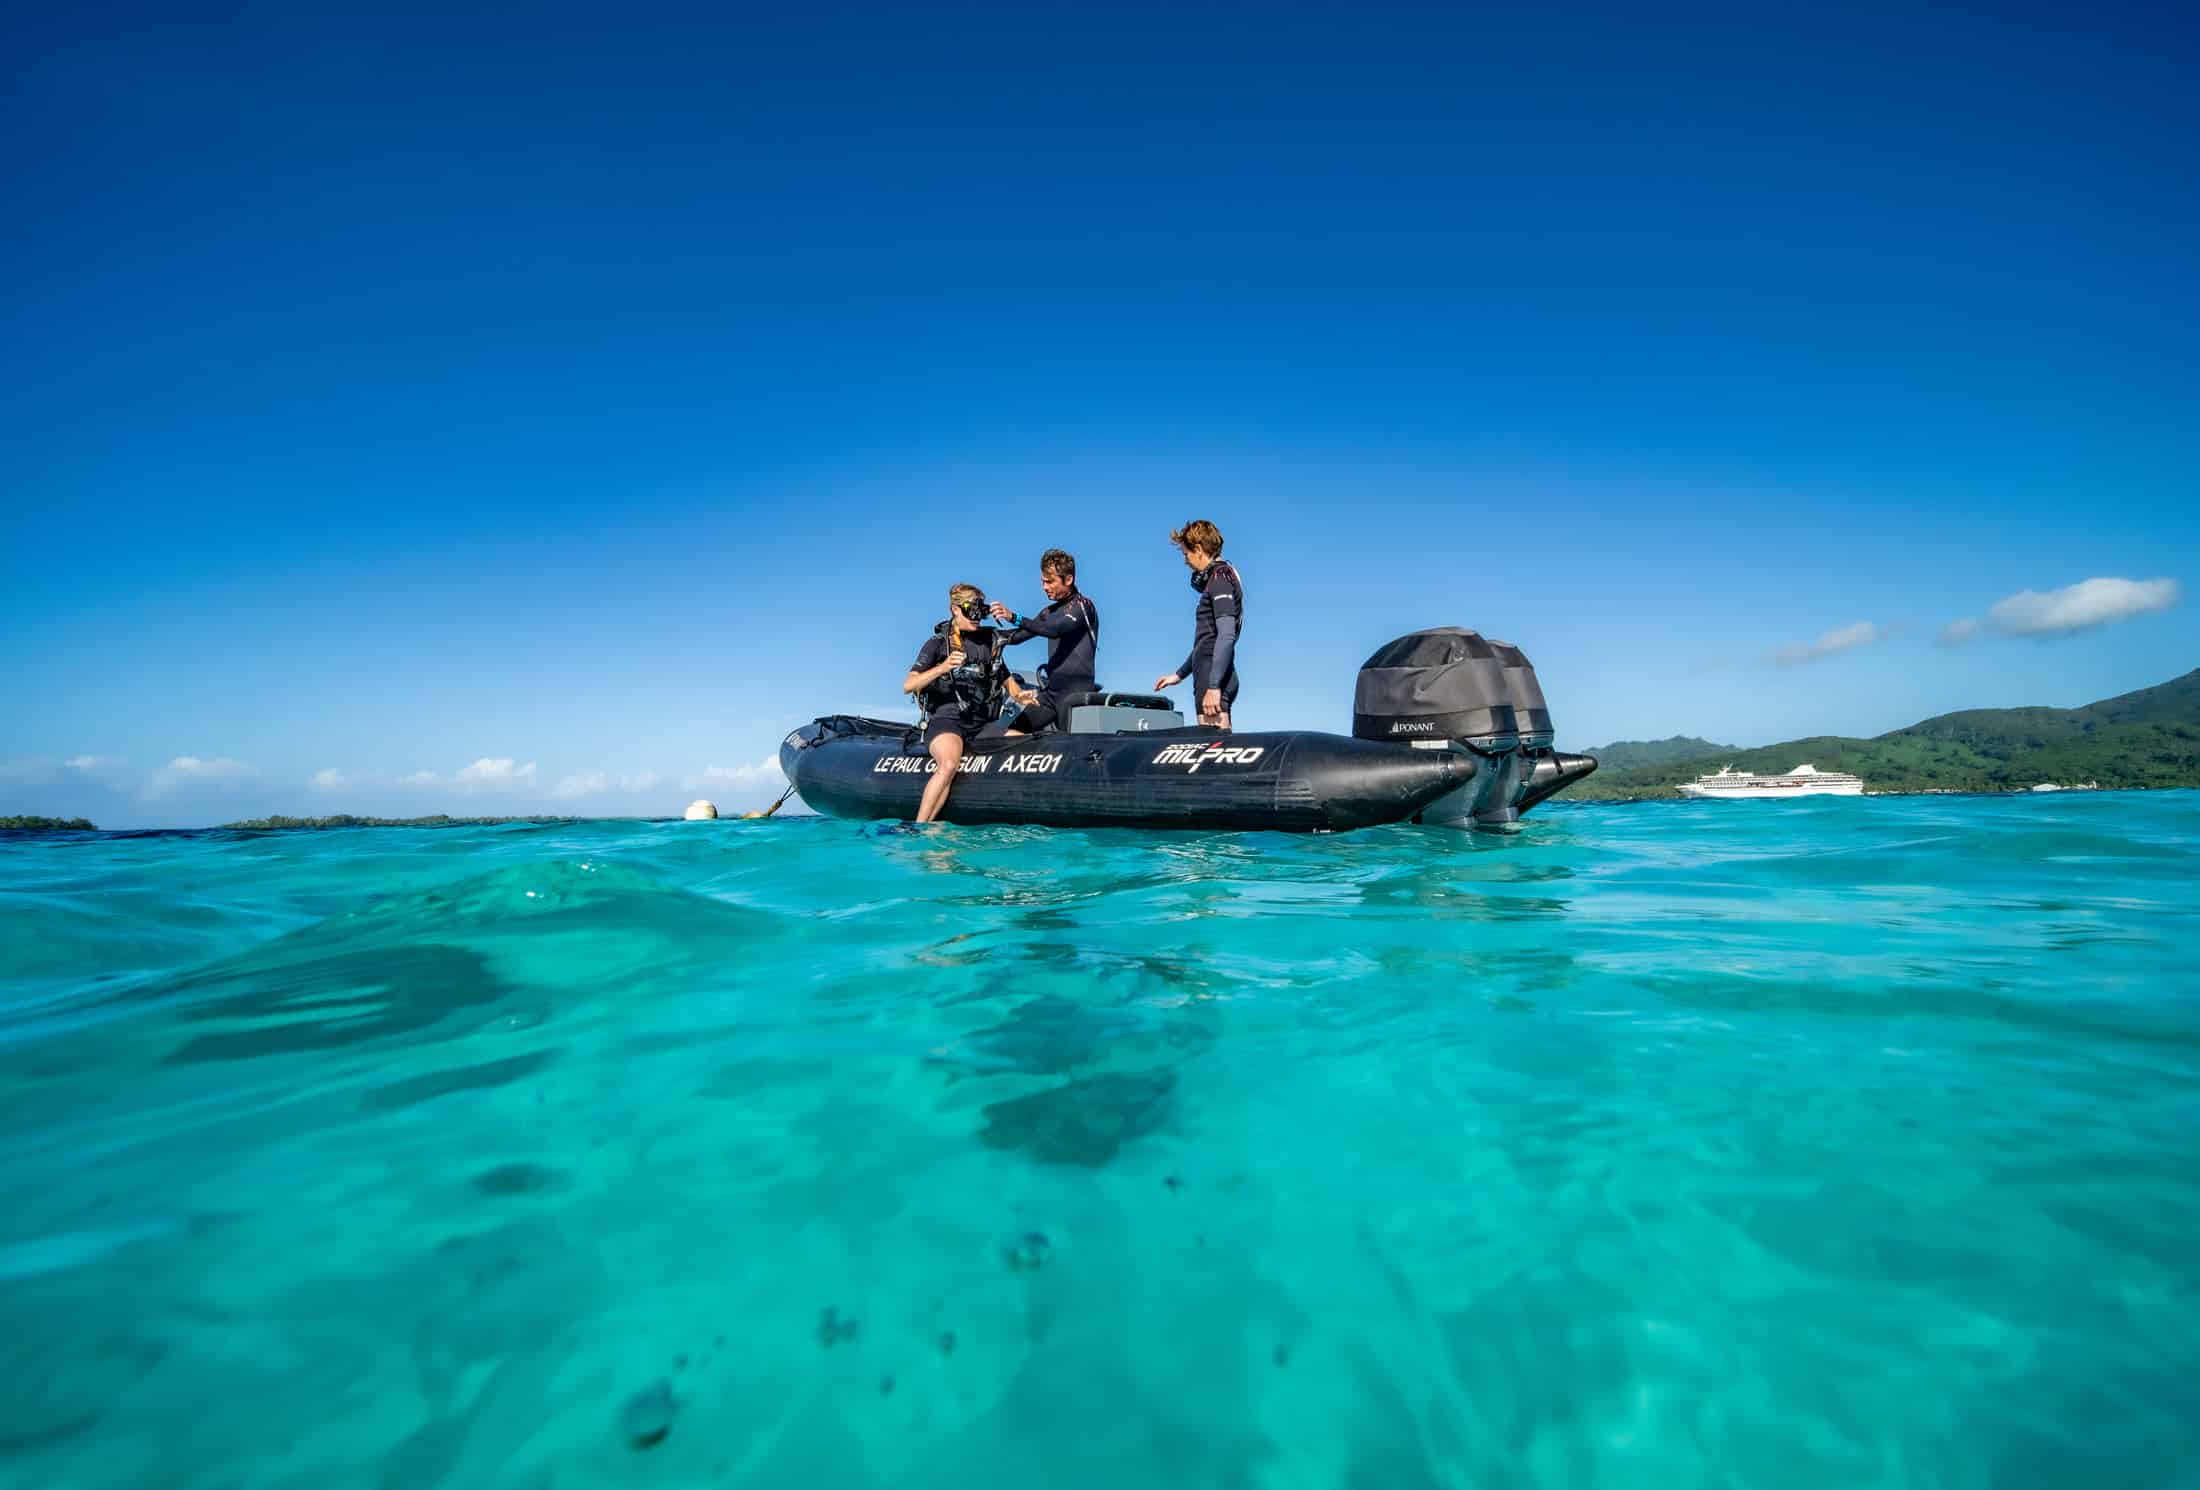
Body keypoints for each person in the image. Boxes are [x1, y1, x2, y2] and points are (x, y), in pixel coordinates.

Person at [903, 583, 1036, 823]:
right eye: (970, 612)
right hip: (948, 721)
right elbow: (909, 685)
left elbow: (1004, 677)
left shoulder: (986, 642)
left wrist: (1019, 695)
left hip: (980, 724)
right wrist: (942, 667)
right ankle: (919, 827)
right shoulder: (937, 644)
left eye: (980, 613)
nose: (976, 619)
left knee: (1024, 743)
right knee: (949, 763)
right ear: (955, 609)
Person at [989, 547, 1100, 735]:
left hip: (1076, 695)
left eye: (1050, 582)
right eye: (1042, 582)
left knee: (1067, 748)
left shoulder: (1083, 606)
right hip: (1051, 694)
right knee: (1011, 733)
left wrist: (1013, 616)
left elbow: (1054, 631)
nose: (1045, 587)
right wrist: (988, 636)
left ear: (1069, 579)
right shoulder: (1048, 612)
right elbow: (1018, 636)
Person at [1152, 520, 1244, 729]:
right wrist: (1179, 674)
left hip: (1213, 674)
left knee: (1215, 750)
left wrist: (1213, 686)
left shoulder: (1220, 578)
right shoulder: (1221, 576)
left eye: (1186, 554)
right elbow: (1206, 640)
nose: (1186, 561)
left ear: (1199, 549)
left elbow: (1226, 636)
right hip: (1213, 670)